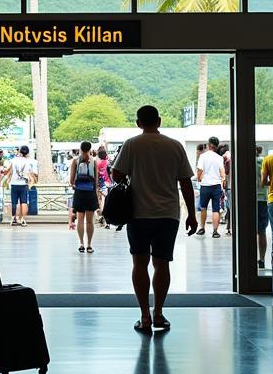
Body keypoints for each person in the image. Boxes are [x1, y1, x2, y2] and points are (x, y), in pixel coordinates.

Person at [112, 106, 198, 334]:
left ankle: (145, 316)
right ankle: (158, 312)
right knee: (162, 264)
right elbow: (186, 183)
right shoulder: (175, 145)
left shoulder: (132, 144)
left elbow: (116, 175)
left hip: (138, 214)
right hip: (168, 215)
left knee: (139, 263)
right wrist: (192, 213)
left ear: (138, 123)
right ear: (159, 121)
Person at [69, 141, 99, 253]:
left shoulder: (75, 161)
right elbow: (96, 181)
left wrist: (74, 185)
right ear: (90, 149)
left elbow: (71, 180)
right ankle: (89, 245)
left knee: (80, 220)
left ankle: (81, 243)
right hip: (90, 193)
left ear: (80, 148)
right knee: (90, 221)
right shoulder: (94, 161)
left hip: (79, 193)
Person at [195, 136, 226, 238]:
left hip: (205, 185)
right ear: (216, 146)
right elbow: (222, 172)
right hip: (216, 185)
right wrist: (222, 180)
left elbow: (199, 170)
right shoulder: (219, 158)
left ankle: (202, 228)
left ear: (209, 145)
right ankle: (215, 231)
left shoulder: (203, 156)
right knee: (215, 209)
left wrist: (199, 178)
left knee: (203, 208)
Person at [7, 144, 37, 226]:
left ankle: (13, 218)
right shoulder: (28, 161)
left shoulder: (13, 160)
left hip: (14, 183)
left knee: (14, 202)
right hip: (23, 184)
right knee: (23, 202)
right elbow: (32, 172)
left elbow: (8, 170)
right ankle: (23, 219)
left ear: (19, 151)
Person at [255, 145, 268, 269]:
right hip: (263, 198)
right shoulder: (264, 161)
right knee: (261, 231)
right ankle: (262, 259)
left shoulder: (242, 161)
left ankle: (250, 258)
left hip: (247, 200)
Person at [96, 144, 112, 227]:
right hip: (109, 183)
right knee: (107, 201)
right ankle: (107, 219)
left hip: (101, 183)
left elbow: (97, 175)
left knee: (102, 201)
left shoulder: (97, 164)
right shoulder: (108, 162)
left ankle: (103, 217)